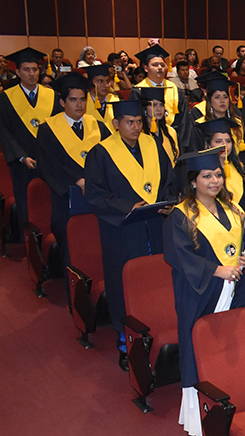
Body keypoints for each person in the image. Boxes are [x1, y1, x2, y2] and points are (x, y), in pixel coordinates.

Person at [163, 147, 245, 436]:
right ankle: (198, 417)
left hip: (234, 287)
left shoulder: (233, 209)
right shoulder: (180, 217)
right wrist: (218, 271)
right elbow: (179, 255)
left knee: (234, 343)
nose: (214, 181)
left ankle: (237, 398)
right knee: (199, 347)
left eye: (217, 174)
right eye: (206, 176)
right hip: (199, 291)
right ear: (193, 181)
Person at [84, 99, 175, 370]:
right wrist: (127, 207)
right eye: (129, 122)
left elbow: (169, 180)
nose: (135, 127)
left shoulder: (153, 145)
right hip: (123, 231)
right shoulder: (101, 153)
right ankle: (126, 344)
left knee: (158, 283)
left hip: (155, 228)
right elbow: (96, 195)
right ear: (115, 124)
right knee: (123, 285)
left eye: (139, 122)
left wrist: (168, 201)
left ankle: (161, 333)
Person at [34, 73, 112, 280]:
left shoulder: (98, 126)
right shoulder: (48, 130)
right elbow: (47, 165)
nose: (79, 105)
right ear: (62, 102)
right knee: (73, 245)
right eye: (73, 100)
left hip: (99, 197)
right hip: (66, 200)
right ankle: (76, 294)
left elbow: (111, 158)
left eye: (82, 99)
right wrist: (77, 180)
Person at [0, 48, 61, 227]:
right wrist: (22, 156)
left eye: (35, 69)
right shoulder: (7, 98)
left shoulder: (52, 96)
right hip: (22, 163)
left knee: (51, 202)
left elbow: (58, 129)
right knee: (26, 203)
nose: (32, 74)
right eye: (26, 69)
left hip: (49, 161)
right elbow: (4, 132)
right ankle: (31, 244)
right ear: (17, 72)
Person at [199, 118, 245, 215]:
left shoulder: (239, 167)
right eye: (218, 141)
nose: (224, 145)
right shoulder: (203, 171)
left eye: (228, 141)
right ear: (209, 144)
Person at [129, 44, 187, 131]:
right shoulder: (138, 91)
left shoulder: (174, 89)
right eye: (155, 65)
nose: (159, 68)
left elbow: (184, 119)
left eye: (162, 65)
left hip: (174, 135)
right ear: (146, 68)